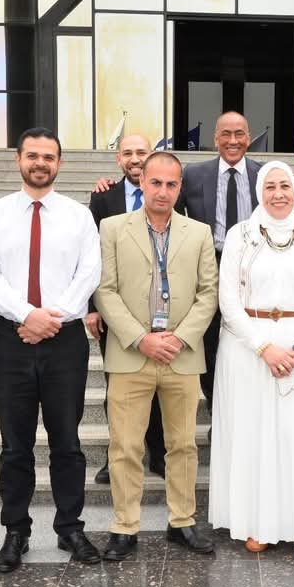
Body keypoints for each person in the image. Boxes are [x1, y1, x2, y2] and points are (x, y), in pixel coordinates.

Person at [0, 127, 102, 573]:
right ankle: (16, 531)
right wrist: (28, 315)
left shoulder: (78, 216)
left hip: (64, 342)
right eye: (33, 155)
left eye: (49, 157)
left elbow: (89, 273)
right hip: (11, 341)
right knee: (15, 445)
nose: (40, 163)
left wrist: (50, 320)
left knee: (67, 442)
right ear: (19, 160)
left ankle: (70, 527)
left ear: (59, 163)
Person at [209, 160, 294, 567]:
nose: (279, 194)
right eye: (270, 187)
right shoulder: (240, 235)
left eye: (285, 186)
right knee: (255, 435)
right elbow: (228, 300)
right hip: (248, 349)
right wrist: (264, 347)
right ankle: (258, 523)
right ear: (259, 191)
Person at [96, 151, 218, 560]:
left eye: (171, 184)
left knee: (182, 444)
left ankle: (181, 521)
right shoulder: (113, 228)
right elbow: (105, 290)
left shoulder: (199, 233)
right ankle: (124, 526)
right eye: (155, 183)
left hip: (180, 356)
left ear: (180, 188)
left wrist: (179, 339)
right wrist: (140, 338)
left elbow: (209, 293)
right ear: (142, 183)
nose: (163, 191)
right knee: (125, 446)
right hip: (131, 354)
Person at [88, 134, 166, 485]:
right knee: (118, 388)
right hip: (115, 309)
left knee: (160, 385)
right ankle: (117, 455)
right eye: (128, 153)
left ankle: (159, 453)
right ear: (118, 159)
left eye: (142, 152)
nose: (135, 158)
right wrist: (93, 307)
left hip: (161, 305)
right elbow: (92, 256)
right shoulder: (103, 197)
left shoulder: (168, 193)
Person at [176, 111, 262, 414]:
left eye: (239, 134)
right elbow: (170, 215)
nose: (232, 140)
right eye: (226, 134)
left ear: (249, 138)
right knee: (210, 344)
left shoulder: (264, 175)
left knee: (251, 341)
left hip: (254, 271)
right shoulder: (193, 174)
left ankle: (249, 413)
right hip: (209, 268)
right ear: (215, 139)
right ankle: (218, 411)